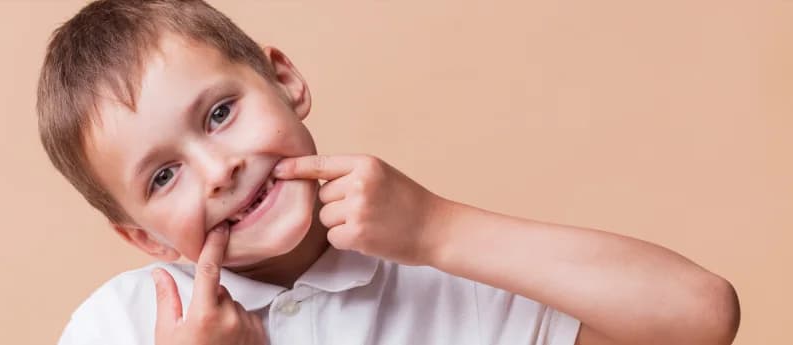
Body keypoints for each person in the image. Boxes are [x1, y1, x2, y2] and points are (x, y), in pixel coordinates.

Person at [36, 1, 740, 344]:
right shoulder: (123, 325)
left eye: (219, 112)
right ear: (146, 238)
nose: (218, 170)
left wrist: (436, 229)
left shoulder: (448, 273)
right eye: (163, 176)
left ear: (284, 80)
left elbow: (700, 315)